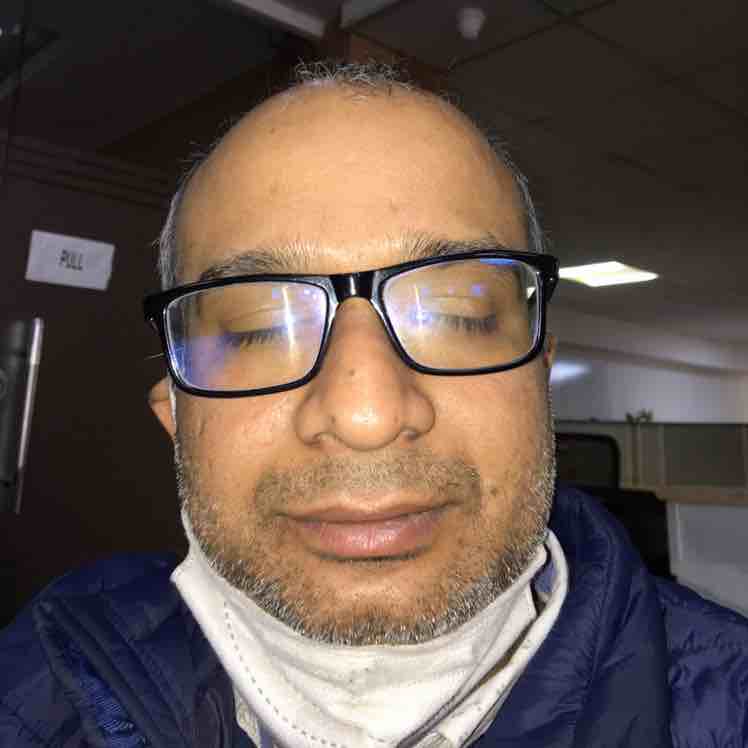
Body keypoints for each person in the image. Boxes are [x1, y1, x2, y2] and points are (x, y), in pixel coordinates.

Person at [1, 61, 747, 748]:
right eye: (261, 329)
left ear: (539, 381)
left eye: (456, 315)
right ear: (176, 416)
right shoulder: (30, 695)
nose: (367, 415)